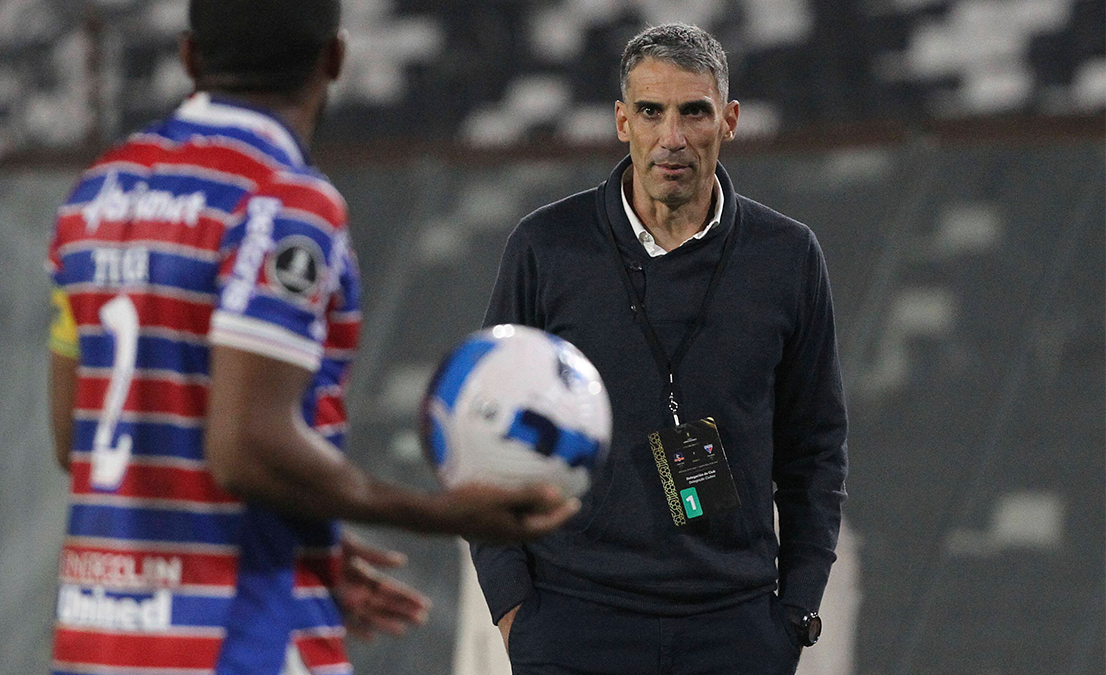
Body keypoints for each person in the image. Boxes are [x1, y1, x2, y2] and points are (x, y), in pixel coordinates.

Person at [44, 2, 579, 673]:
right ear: (334, 59)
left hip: (100, 636)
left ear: (188, 58)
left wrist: (310, 533)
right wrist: (440, 512)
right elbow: (246, 447)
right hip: (238, 637)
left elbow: (76, 435)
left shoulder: (94, 196)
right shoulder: (281, 198)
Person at [471, 23, 848, 675]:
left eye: (693, 111)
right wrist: (516, 611)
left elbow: (815, 446)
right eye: (651, 111)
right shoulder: (546, 248)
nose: (672, 136)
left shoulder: (787, 257)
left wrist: (796, 609)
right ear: (623, 121)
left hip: (736, 630)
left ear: (728, 120)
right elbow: (485, 432)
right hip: (575, 624)